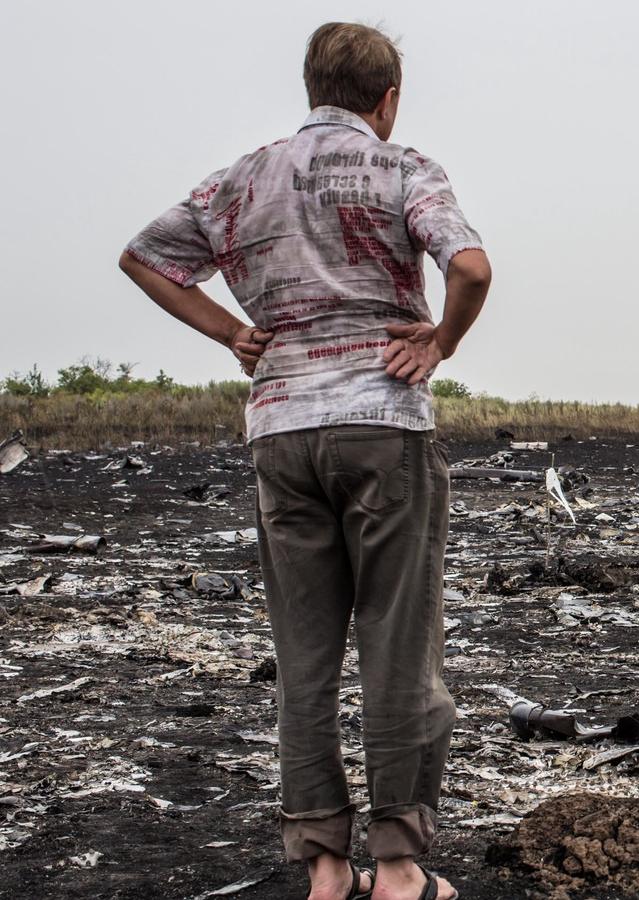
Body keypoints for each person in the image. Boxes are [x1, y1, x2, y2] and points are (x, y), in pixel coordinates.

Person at [118, 22, 489, 900]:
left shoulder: (242, 178)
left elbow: (145, 258)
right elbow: (469, 268)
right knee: (399, 647)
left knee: (305, 653)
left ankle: (324, 864)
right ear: (387, 100)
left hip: (281, 427)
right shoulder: (404, 170)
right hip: (379, 421)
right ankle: (399, 865)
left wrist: (233, 332)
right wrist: (439, 341)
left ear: (312, 88)